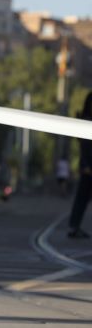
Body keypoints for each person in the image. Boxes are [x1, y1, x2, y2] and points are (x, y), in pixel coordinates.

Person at [67, 93, 92, 238]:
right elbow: (85, 147)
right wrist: (86, 165)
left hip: (87, 165)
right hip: (88, 167)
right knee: (82, 197)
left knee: (82, 198)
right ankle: (73, 226)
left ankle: (74, 226)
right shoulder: (86, 122)